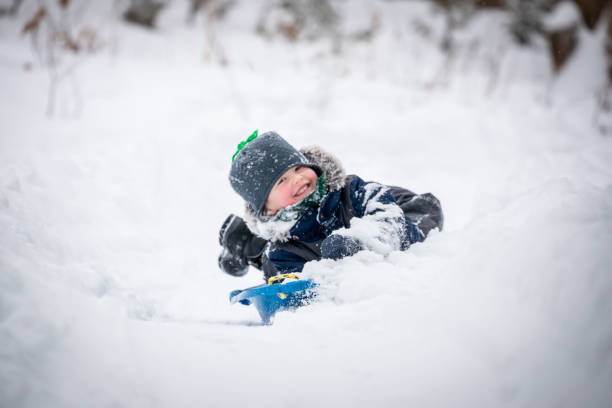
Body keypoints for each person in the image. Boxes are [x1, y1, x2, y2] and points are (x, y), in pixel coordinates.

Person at [218, 130, 443, 280]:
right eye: (282, 181)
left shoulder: (354, 191)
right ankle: (251, 247)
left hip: (397, 206)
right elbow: (294, 299)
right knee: (271, 263)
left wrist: (363, 242)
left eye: (298, 168)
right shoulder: (282, 253)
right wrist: (331, 272)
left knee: (423, 217)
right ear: (268, 210)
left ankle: (251, 242)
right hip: (292, 239)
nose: (297, 179)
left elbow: (391, 220)